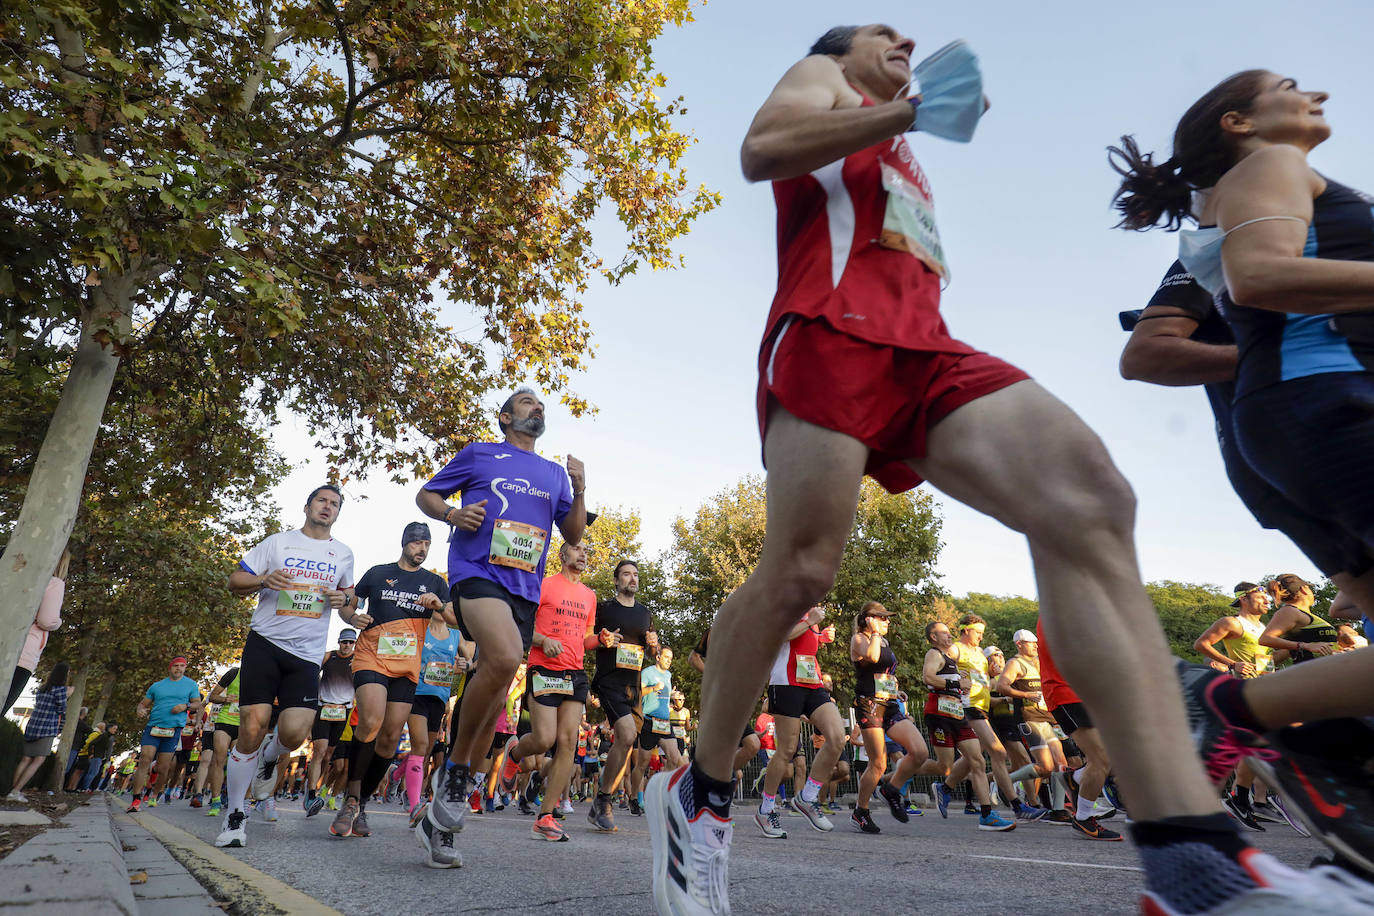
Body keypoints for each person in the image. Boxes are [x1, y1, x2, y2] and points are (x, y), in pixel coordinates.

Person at [646, 24, 1263, 915]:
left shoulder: (899, 138)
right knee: (803, 569)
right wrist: (897, 108)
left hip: (928, 352)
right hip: (828, 332)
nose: (904, 38)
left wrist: (905, 122)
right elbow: (762, 150)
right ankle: (699, 796)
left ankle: (1185, 844)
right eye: (882, 34)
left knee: (1090, 498)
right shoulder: (827, 78)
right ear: (845, 50)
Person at [417, 388, 586, 858]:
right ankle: (456, 772)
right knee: (508, 655)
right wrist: (453, 512)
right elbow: (426, 494)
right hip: (476, 574)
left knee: (496, 687)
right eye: (528, 402)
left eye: (541, 405)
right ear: (506, 417)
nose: (538, 408)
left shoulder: (554, 474)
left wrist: (581, 486)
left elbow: (572, 534)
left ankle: (442, 815)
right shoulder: (480, 454)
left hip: (525, 591)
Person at [216, 484, 354, 848]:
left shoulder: (342, 554)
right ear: (307, 506)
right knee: (252, 726)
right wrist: (263, 579)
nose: (327, 507)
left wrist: (346, 600)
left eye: (334, 504)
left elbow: (348, 605)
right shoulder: (277, 543)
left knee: (294, 734)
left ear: (338, 513)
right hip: (265, 644)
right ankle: (235, 815)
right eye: (322, 501)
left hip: (306, 654)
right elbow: (235, 581)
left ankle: (269, 756)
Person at [329, 522, 453, 841]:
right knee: (370, 720)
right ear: (404, 543)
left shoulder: (435, 583)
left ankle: (364, 801)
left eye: (427, 544)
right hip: (372, 654)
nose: (422, 549)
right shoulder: (378, 573)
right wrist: (352, 617)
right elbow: (348, 604)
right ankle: (350, 801)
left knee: (389, 738)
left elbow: (455, 618)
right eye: (417, 543)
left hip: (407, 667)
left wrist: (438, 605)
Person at [497, 539, 596, 843]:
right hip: (544, 669)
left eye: (586, 551)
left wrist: (602, 639)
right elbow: (521, 626)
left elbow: (586, 638)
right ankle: (514, 754)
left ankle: (546, 816)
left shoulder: (590, 596)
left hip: (575, 673)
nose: (583, 555)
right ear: (563, 555)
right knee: (544, 739)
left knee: (567, 743)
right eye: (578, 549)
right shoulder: (543, 585)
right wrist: (541, 641)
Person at [848, 602, 944, 833]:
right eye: (882, 618)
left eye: (887, 619)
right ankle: (861, 811)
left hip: (889, 703)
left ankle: (891, 789)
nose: (887, 622)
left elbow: (885, 671)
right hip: (869, 704)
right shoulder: (860, 639)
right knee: (878, 763)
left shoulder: (883, 640)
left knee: (920, 752)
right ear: (869, 619)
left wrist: (895, 688)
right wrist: (874, 633)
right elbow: (871, 658)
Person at [585, 559, 652, 833]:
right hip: (609, 682)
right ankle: (604, 801)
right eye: (626, 574)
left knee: (627, 741)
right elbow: (587, 639)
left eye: (635, 574)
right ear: (616, 580)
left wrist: (654, 647)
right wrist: (602, 638)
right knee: (625, 735)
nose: (632, 579)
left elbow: (651, 652)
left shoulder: (645, 613)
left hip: (633, 686)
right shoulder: (603, 609)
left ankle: (601, 800)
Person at [408, 610, 465, 864]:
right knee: (420, 745)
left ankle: (399, 774)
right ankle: (414, 805)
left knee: (425, 750)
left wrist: (465, 665)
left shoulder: (456, 635)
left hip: (439, 698)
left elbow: (471, 660)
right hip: (416, 693)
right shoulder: (421, 628)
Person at [126, 656, 202, 812]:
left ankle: (154, 794)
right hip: (153, 727)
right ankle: (136, 800)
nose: (179, 668)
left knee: (163, 767)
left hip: (173, 730)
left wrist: (184, 706)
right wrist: (140, 710)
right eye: (176, 666)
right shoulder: (157, 686)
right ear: (170, 668)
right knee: (145, 760)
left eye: (182, 666)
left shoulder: (190, 685)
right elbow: (143, 704)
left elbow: (197, 703)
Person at [4, 550, 67, 718]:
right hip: (22, 655)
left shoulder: (9, 572)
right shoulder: (53, 582)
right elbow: (47, 620)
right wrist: (58, 622)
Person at [306, 629, 356, 817]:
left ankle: (318, 787)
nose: (347, 646)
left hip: (343, 711)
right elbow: (311, 673)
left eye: (351, 642)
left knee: (329, 755)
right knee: (319, 750)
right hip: (324, 707)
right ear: (339, 642)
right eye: (344, 642)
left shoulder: (358, 659)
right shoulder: (329, 656)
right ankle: (311, 794)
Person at [7, 662, 72, 801]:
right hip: (47, 728)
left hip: (33, 726)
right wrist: (68, 695)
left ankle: (12, 790)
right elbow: (61, 711)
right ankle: (16, 791)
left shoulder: (43, 689)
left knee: (25, 759)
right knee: (38, 760)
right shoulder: (61, 691)